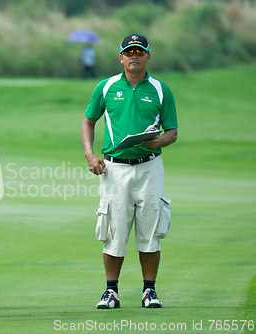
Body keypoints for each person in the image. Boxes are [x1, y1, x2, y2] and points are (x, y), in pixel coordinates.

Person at [81, 34, 178, 309]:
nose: (134, 56)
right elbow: (88, 122)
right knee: (114, 230)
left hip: (149, 166)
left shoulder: (161, 90)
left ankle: (150, 291)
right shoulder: (107, 86)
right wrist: (90, 155)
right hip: (114, 169)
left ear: (148, 56)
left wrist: (160, 141)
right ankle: (111, 291)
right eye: (129, 52)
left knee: (150, 229)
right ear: (121, 57)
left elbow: (172, 131)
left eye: (139, 51)